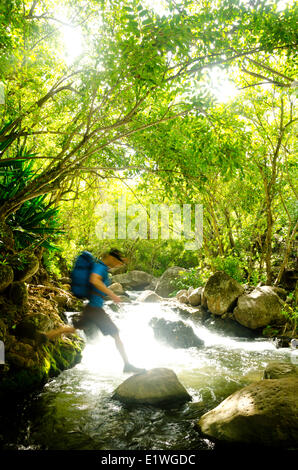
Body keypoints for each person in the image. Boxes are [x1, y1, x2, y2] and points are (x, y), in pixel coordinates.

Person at [46, 249, 146, 374]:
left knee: (73, 329)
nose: (117, 263)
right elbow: (94, 280)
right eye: (116, 260)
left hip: (92, 308)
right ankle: (127, 365)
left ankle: (45, 337)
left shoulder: (99, 266)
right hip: (95, 309)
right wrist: (112, 294)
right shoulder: (100, 267)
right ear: (110, 257)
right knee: (116, 334)